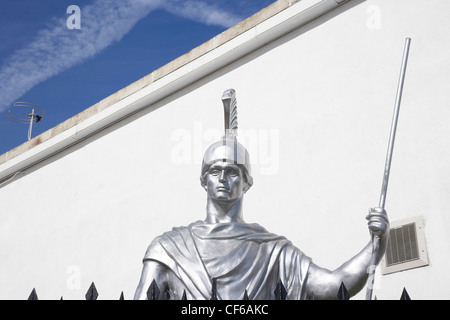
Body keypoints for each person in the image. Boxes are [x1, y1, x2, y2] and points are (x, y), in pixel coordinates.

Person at [134, 90, 389, 300]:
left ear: (247, 183)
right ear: (203, 180)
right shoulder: (168, 248)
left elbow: (332, 286)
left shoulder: (272, 251)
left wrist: (377, 244)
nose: (223, 178)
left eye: (233, 172)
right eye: (215, 171)